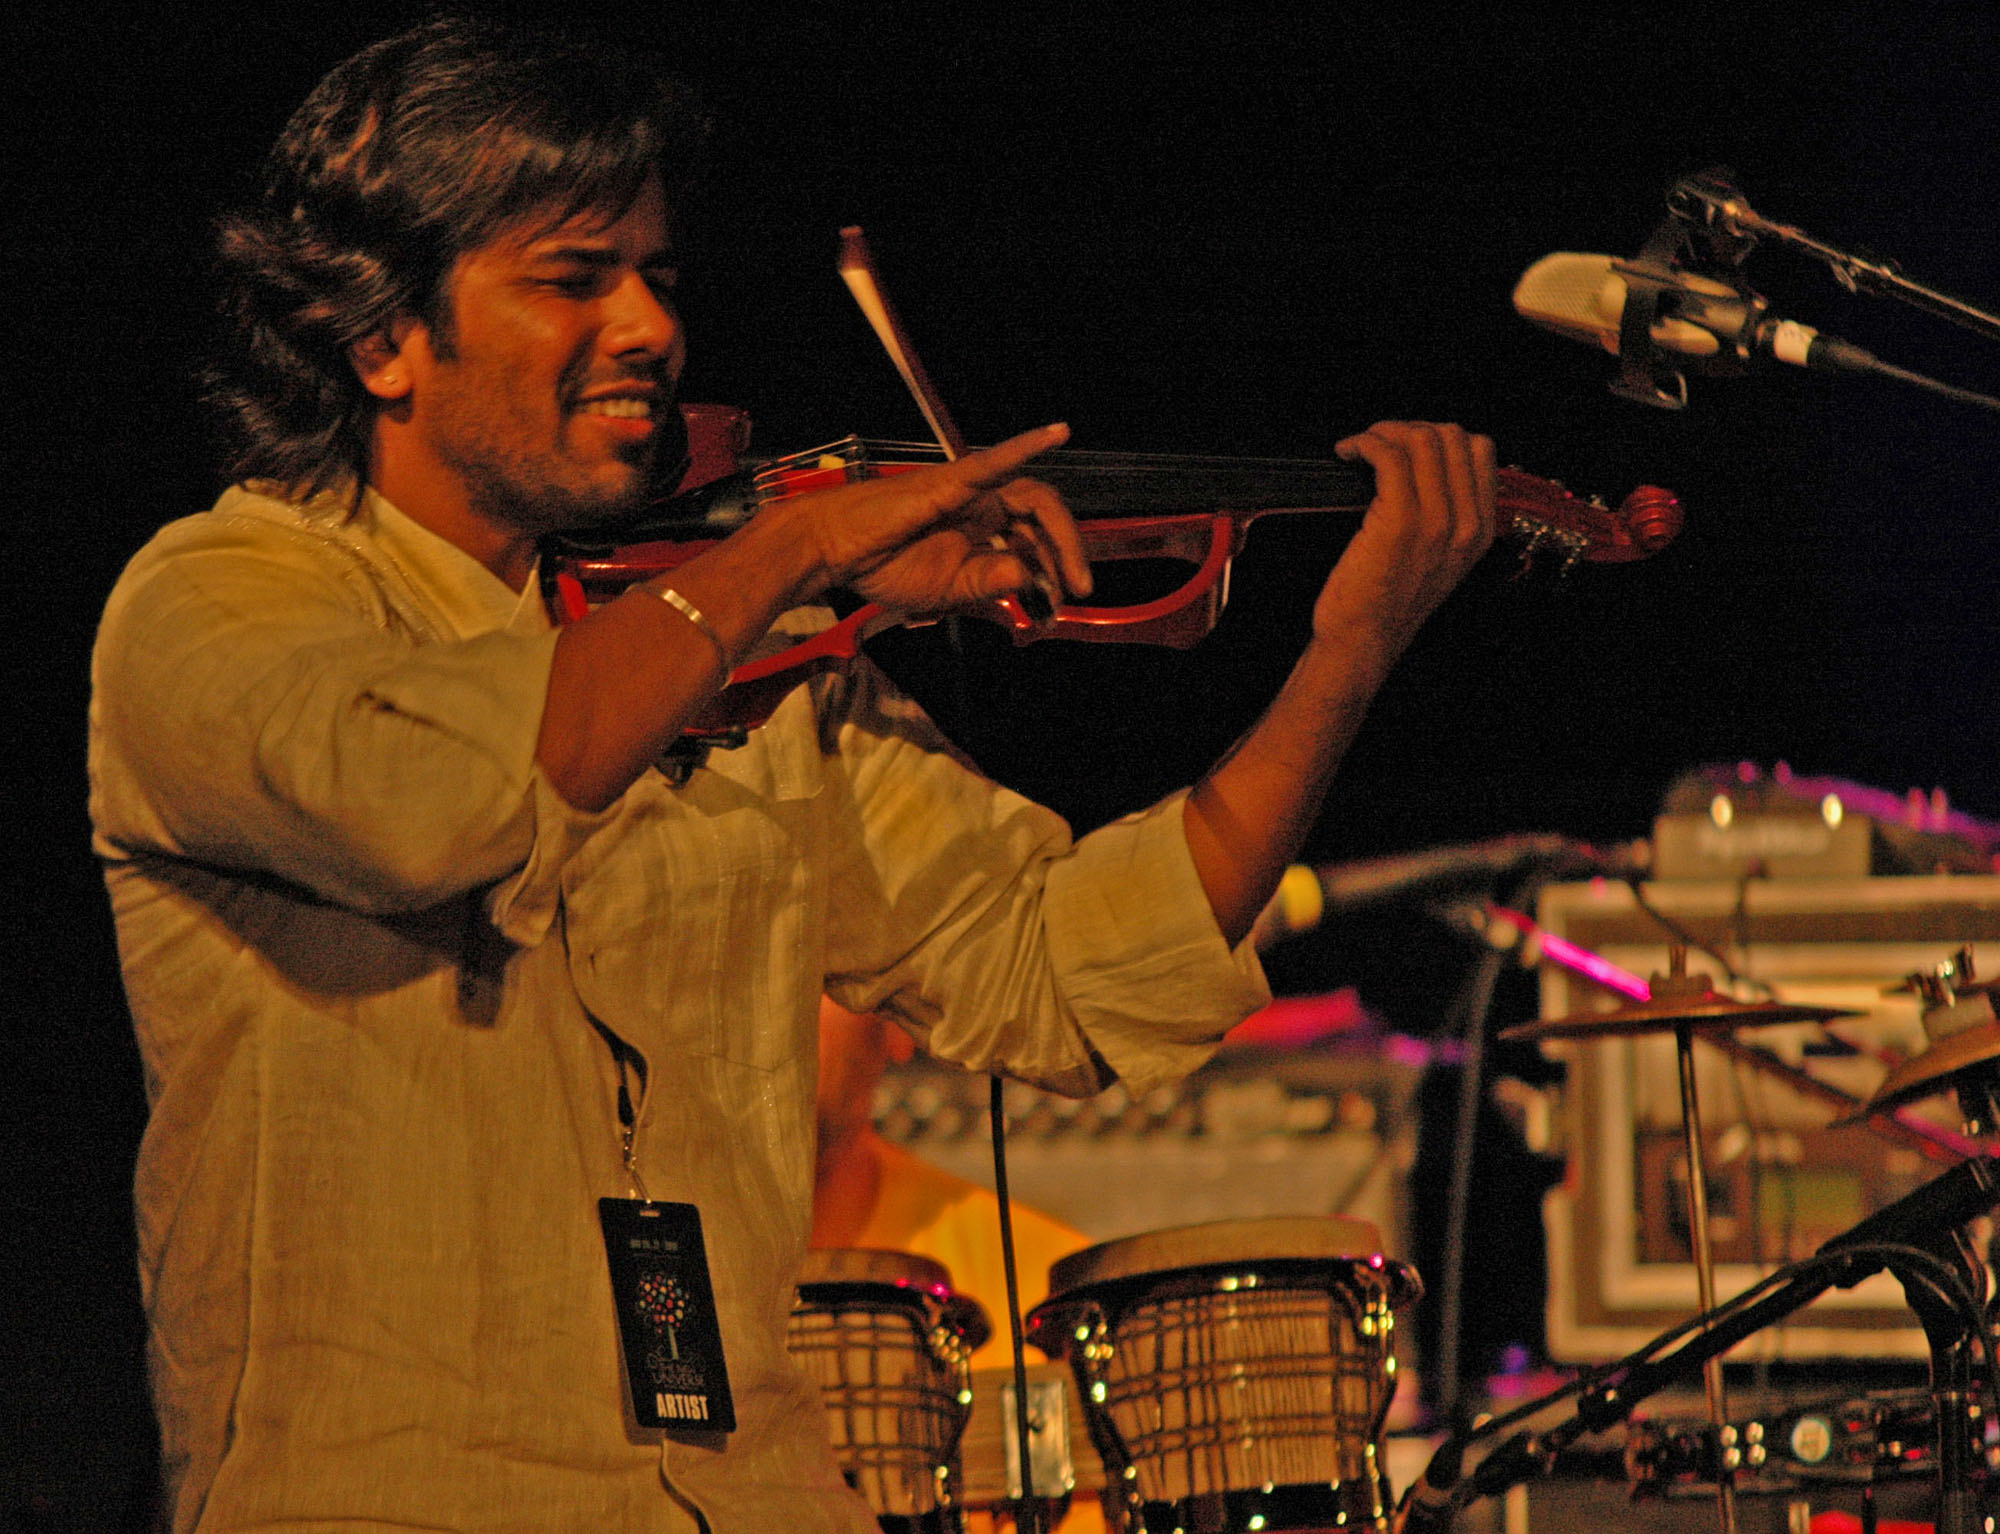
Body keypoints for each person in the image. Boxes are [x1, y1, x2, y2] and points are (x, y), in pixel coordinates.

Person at [87, 17, 1497, 1533]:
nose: (647, 329)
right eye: (574, 279)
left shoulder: (743, 669)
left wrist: (1346, 654)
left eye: (659, 280)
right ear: (380, 335)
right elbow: (444, 799)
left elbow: (1072, 968)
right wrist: (795, 550)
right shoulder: (217, 604)